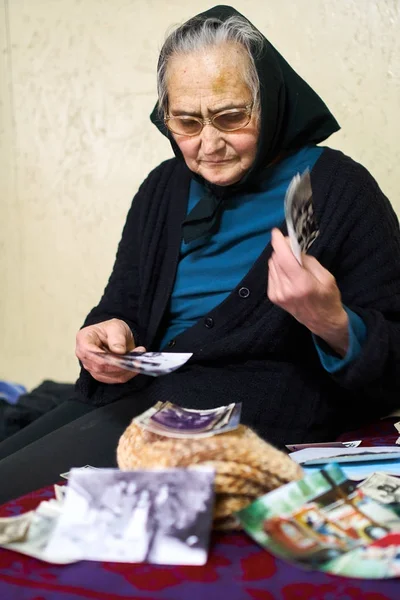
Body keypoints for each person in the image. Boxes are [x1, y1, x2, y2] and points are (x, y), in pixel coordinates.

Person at [0, 5, 400, 505]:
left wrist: (332, 321)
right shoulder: (162, 189)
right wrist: (106, 335)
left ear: (269, 102)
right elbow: (120, 303)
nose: (209, 144)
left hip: (246, 409)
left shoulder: (339, 190)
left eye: (231, 117)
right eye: (186, 122)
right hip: (141, 397)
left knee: (23, 495)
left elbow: (394, 365)